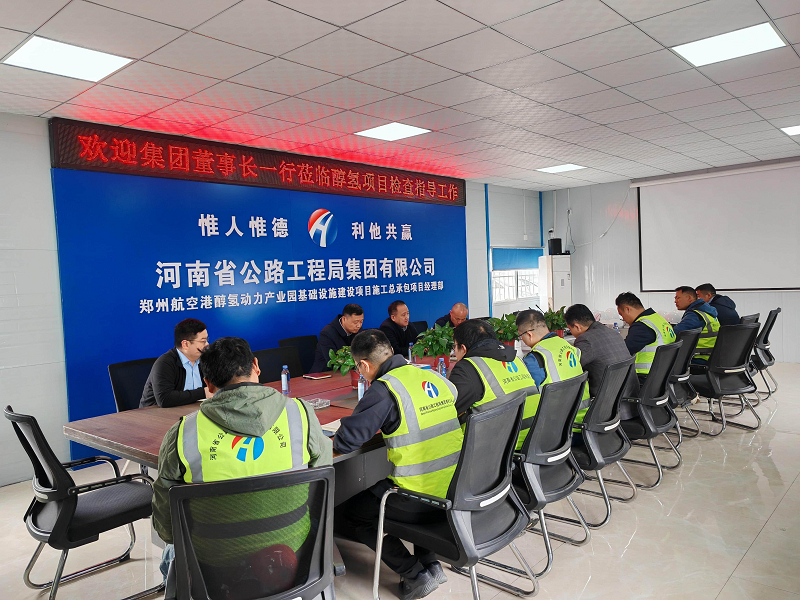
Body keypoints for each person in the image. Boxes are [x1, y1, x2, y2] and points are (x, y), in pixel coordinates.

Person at [152, 337, 332, 597]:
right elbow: (321, 482)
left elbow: (166, 516)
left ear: (208, 383)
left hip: (214, 564)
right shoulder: (300, 414)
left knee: (171, 551)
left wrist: (171, 539)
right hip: (293, 547)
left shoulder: (184, 432)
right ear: (256, 366)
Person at [333, 329, 461, 600]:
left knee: (352, 514)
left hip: (416, 495)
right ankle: (431, 564)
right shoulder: (430, 375)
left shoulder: (384, 390)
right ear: (391, 351)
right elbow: (453, 395)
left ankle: (414, 574)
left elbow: (346, 442)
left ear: (363, 365)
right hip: (455, 486)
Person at [515, 309, 590, 444]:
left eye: (521, 337)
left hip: (559, 432)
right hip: (583, 422)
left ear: (529, 334)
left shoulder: (536, 358)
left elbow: (522, 394)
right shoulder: (568, 346)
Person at [449, 319, 537, 433]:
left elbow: (449, 410)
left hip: (499, 441)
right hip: (532, 435)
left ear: (463, 348)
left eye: (455, 347)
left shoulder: (467, 368)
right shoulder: (517, 360)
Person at [140, 318, 212, 408]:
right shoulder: (165, 363)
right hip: (154, 413)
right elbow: (165, 399)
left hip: (190, 410)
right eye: (203, 341)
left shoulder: (204, 360)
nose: (207, 344)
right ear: (185, 344)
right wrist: (203, 393)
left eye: (207, 340)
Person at [564, 304, 631, 397]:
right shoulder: (614, 333)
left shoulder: (585, 339)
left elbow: (573, 368)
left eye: (570, 329)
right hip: (628, 394)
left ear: (577, 326)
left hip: (606, 399)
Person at [615, 292, 675, 378]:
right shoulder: (658, 319)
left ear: (627, 309)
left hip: (645, 377)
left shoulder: (642, 326)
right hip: (663, 374)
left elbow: (623, 352)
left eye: (621, 315)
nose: (623, 319)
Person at [309, 303, 364, 373]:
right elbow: (334, 362)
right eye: (355, 322)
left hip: (349, 373)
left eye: (361, 321)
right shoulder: (327, 333)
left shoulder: (358, 330)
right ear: (344, 319)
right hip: (324, 373)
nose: (359, 325)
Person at [673, 286, 719, 362]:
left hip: (698, 358)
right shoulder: (707, 311)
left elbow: (673, 334)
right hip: (710, 357)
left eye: (678, 298)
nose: (675, 301)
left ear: (689, 298)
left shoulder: (694, 315)